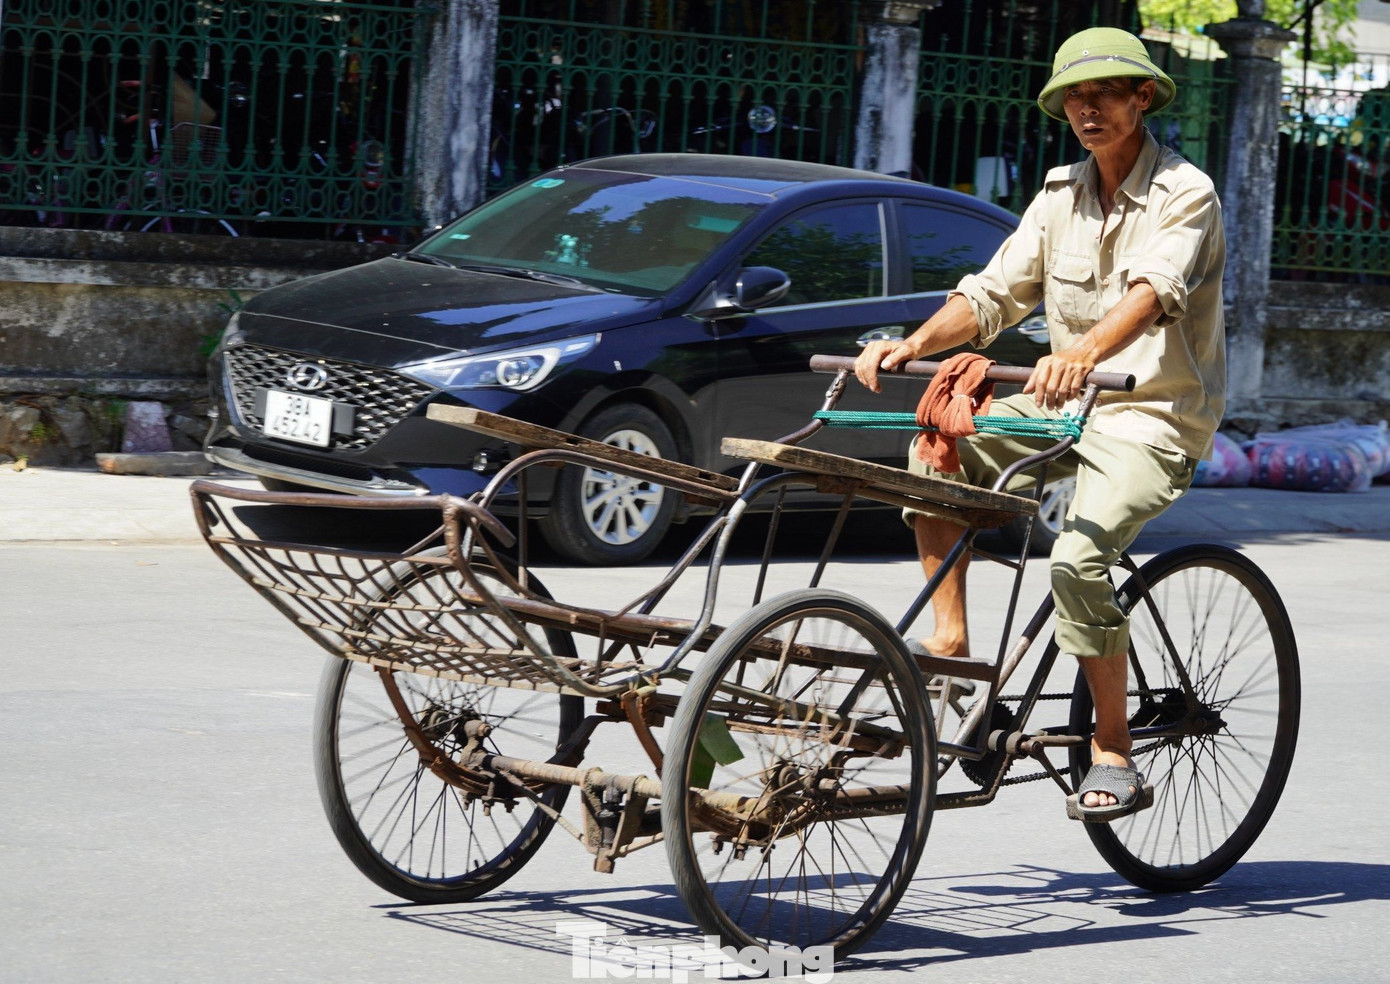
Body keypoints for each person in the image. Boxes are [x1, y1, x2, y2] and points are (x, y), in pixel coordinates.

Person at [853, 28, 1226, 821]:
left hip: (1151, 415)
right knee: (935, 445)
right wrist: (912, 344)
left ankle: (1113, 751)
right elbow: (992, 295)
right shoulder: (1059, 195)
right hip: (1062, 408)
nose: (1087, 109)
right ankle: (951, 646)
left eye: (1105, 94)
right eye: (1074, 98)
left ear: (1142, 98)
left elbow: (1154, 290)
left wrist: (1084, 351)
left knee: (1078, 563)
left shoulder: (1185, 191)